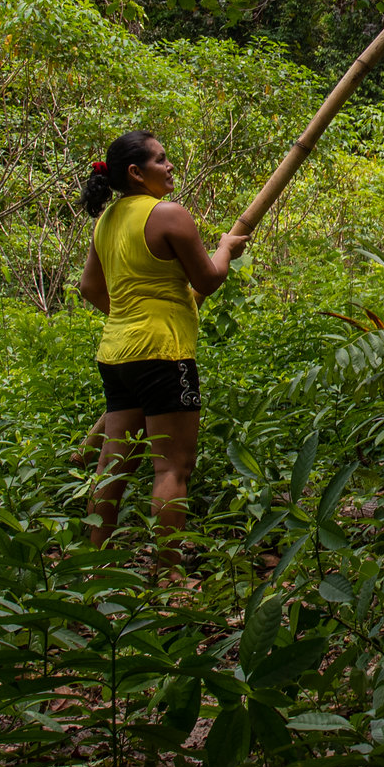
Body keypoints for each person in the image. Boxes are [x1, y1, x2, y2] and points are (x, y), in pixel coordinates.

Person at [76, 130, 247, 580]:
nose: (171, 167)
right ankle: (169, 575)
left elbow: (90, 288)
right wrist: (226, 249)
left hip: (116, 353)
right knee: (173, 468)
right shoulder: (168, 215)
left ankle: (97, 568)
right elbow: (207, 280)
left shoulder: (107, 220)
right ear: (136, 172)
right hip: (165, 352)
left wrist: (132, 313)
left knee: (112, 463)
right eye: (162, 160)